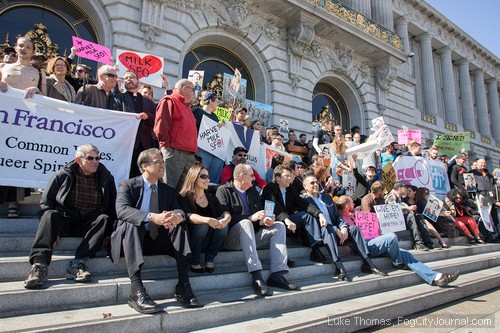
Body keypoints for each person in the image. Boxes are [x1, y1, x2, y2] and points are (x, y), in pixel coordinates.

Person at [110, 148, 199, 313]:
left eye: (163, 162)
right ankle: (136, 290)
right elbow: (121, 210)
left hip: (157, 239)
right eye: (158, 162)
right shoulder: (128, 185)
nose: (162, 165)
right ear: (144, 166)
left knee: (178, 225)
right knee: (131, 223)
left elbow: (179, 210)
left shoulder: (167, 189)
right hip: (132, 240)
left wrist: (177, 216)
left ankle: (183, 285)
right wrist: (150, 216)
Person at [24, 144, 116, 289]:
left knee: (104, 218)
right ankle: (39, 265)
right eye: (90, 158)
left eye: (97, 158)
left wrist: (109, 233)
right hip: (66, 220)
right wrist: (52, 231)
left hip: (89, 223)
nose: (95, 161)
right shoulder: (62, 175)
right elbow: (46, 203)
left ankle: (78, 264)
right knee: (49, 214)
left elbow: (112, 207)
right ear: (79, 160)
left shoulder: (106, 177)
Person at [337, 196, 460, 287]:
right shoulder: (343, 221)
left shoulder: (356, 216)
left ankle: (436, 277)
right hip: (365, 246)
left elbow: (369, 231)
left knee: (406, 254)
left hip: (374, 241)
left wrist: (376, 229)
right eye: (351, 202)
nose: (354, 202)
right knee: (391, 237)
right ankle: (396, 262)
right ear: (347, 206)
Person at [216, 164, 299, 296]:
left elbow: (259, 217)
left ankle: (277, 274)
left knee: (279, 225)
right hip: (232, 239)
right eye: (252, 175)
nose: (255, 178)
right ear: (242, 177)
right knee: (246, 222)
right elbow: (224, 218)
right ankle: (256, 275)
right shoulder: (223, 190)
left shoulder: (253, 191)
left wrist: (265, 220)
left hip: (252, 236)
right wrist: (250, 217)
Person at [303, 175, 387, 281]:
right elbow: (314, 222)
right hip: (324, 232)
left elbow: (337, 216)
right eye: (312, 183)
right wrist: (334, 229)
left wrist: (343, 227)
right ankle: (339, 268)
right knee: (328, 229)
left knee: (355, 229)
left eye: (316, 182)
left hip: (337, 231)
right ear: (305, 186)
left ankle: (368, 264)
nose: (315, 185)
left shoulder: (326, 197)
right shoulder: (305, 201)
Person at [0, 37, 46, 219]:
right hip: (4, 119)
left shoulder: (38, 73)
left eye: (28, 47)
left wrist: (37, 91)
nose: (24, 49)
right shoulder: (3, 68)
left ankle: (13, 202)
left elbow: (45, 97)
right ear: (15, 48)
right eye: (21, 46)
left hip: (25, 122)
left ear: (33, 51)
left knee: (17, 158)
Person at [261, 165, 327, 263]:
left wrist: (320, 214)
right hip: (272, 222)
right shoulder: (269, 188)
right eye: (286, 176)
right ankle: (282, 258)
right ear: (278, 178)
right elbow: (273, 206)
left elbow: (303, 204)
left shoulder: (290, 189)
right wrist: (286, 220)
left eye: (290, 176)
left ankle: (316, 248)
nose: (289, 178)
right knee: (280, 225)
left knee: (306, 216)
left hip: (288, 222)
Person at [178, 165, 230, 273]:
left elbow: (224, 212)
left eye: (208, 177)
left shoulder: (210, 196)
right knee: (202, 224)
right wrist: (207, 220)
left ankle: (210, 259)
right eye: (203, 176)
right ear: (194, 178)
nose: (208, 180)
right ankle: (195, 260)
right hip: (193, 239)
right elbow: (188, 216)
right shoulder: (184, 196)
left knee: (223, 225)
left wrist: (226, 219)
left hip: (209, 238)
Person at [111, 70, 157, 177]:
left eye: (131, 77)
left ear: (138, 81)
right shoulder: (119, 99)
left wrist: (147, 116)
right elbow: (114, 117)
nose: (128, 79)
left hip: (144, 145)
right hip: (125, 144)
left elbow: (157, 118)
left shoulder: (148, 102)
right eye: (125, 78)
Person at [154, 79, 197, 189]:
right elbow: (161, 126)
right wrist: (167, 148)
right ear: (184, 88)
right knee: (168, 189)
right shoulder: (170, 101)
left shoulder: (187, 107)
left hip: (188, 155)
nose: (194, 93)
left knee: (184, 191)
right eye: (193, 89)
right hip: (174, 152)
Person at [385, 182, 433, 251]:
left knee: (419, 216)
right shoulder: (392, 196)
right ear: (400, 189)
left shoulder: (399, 197)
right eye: (405, 188)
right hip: (394, 221)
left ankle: (428, 241)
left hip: (401, 218)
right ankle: (417, 242)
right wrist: (408, 209)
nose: (406, 190)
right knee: (410, 215)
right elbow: (394, 210)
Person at [192, 91, 225, 184]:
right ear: (210, 101)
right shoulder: (198, 111)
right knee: (201, 172)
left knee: (213, 176)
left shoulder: (215, 116)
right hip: (202, 148)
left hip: (214, 149)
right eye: (216, 101)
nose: (218, 104)